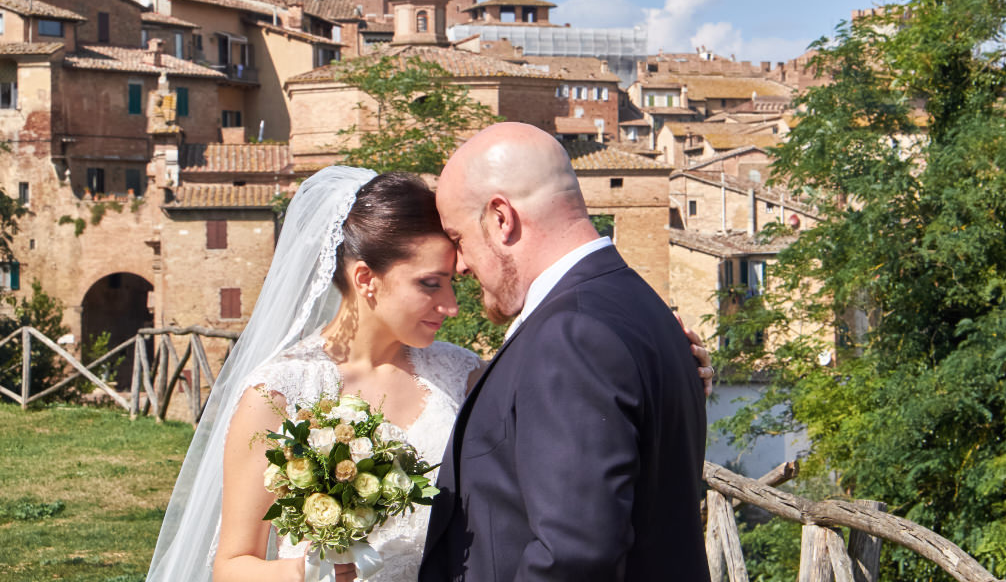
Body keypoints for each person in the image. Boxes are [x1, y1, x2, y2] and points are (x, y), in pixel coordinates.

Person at [148, 165, 712, 582]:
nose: (450, 305)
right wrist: (315, 569)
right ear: (367, 279)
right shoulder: (279, 394)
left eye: (453, 281)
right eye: (429, 284)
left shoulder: (463, 375)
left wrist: (670, 372)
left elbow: (574, 421)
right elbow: (232, 563)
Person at [420, 122, 710, 582]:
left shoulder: (569, 336)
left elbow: (574, 557)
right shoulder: (640, 304)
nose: (459, 264)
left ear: (501, 219)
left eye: (458, 239)